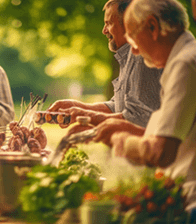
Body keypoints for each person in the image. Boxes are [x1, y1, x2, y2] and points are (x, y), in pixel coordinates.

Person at [94, 0, 196, 211]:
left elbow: (160, 153)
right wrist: (126, 128)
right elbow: (177, 136)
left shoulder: (184, 65)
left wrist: (120, 140)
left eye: (131, 36)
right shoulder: (182, 59)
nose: (135, 51)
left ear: (152, 27)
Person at [47, 0, 162, 129]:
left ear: (128, 23)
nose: (104, 30)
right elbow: (118, 107)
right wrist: (78, 106)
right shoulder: (128, 57)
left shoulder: (141, 58)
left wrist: (86, 116)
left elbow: (137, 118)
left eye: (109, 23)